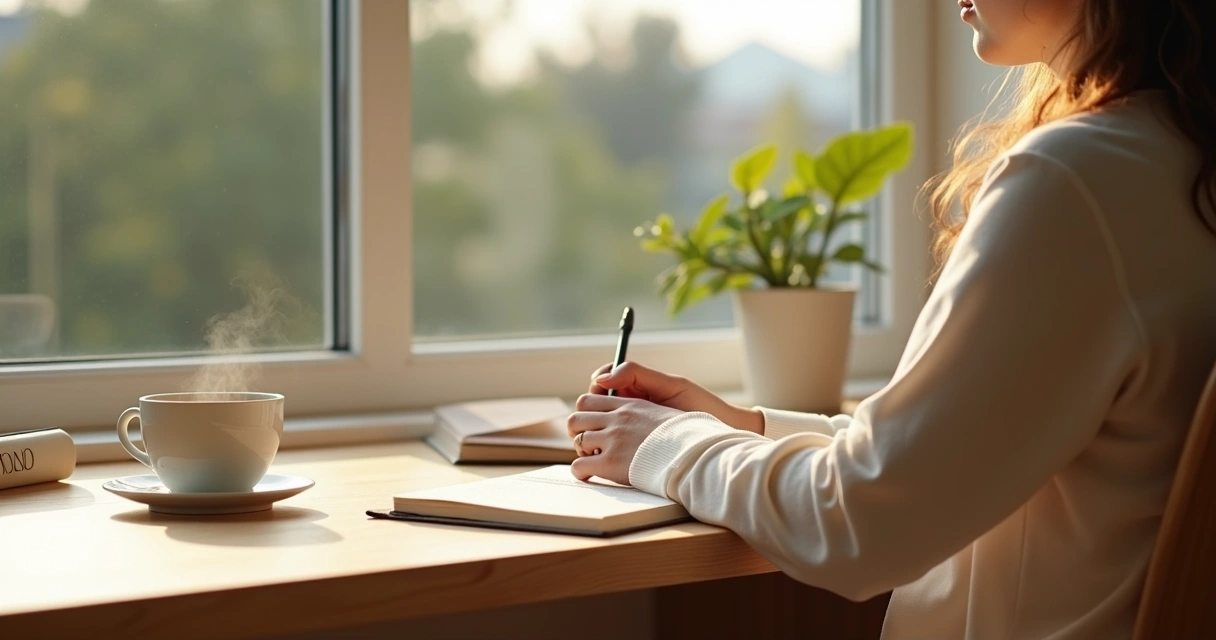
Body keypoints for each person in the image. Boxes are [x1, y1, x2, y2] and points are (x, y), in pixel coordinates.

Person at [564, 0, 1216, 637]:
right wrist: (745, 426)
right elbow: (938, 461)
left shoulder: (1079, 180)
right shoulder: (1178, 161)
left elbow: (857, 526)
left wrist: (666, 446)